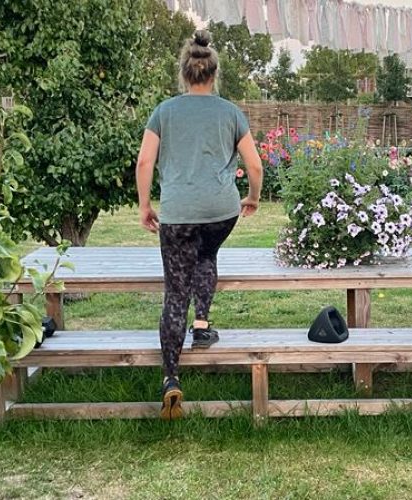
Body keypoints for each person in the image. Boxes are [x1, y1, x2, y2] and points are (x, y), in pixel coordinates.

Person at [134, 30, 264, 420]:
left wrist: (144, 205)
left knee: (175, 293)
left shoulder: (165, 111)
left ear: (184, 73)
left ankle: (171, 379)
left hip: (178, 212)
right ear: (214, 73)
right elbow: (255, 165)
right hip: (220, 211)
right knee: (206, 256)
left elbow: (144, 163)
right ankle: (203, 324)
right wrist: (254, 197)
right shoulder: (230, 112)